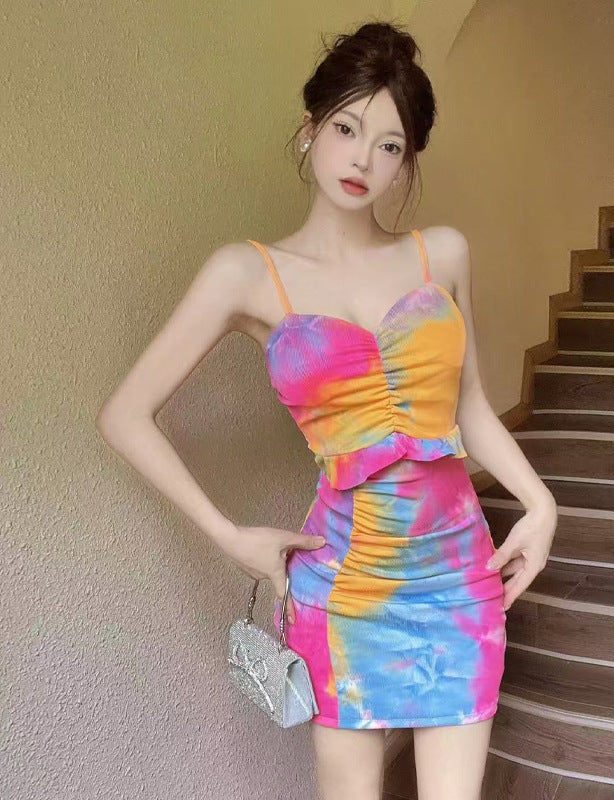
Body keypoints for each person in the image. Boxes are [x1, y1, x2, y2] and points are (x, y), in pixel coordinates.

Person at [96, 20, 558, 800]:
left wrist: (541, 504)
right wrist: (229, 536)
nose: (362, 159)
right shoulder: (246, 274)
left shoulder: (442, 253)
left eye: (389, 144)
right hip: (345, 585)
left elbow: (470, 406)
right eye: (347, 129)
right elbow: (125, 415)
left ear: (408, 159)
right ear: (310, 128)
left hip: (459, 576)